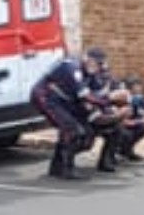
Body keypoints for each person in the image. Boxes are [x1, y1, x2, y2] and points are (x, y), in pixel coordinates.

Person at [29, 46, 111, 180]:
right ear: (86, 59)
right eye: (96, 62)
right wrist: (108, 101)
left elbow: (98, 92)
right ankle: (67, 169)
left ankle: (57, 167)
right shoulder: (72, 68)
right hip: (45, 97)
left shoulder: (92, 72)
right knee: (72, 129)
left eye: (100, 63)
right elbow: (87, 96)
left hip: (64, 100)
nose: (98, 66)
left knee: (84, 132)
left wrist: (107, 102)